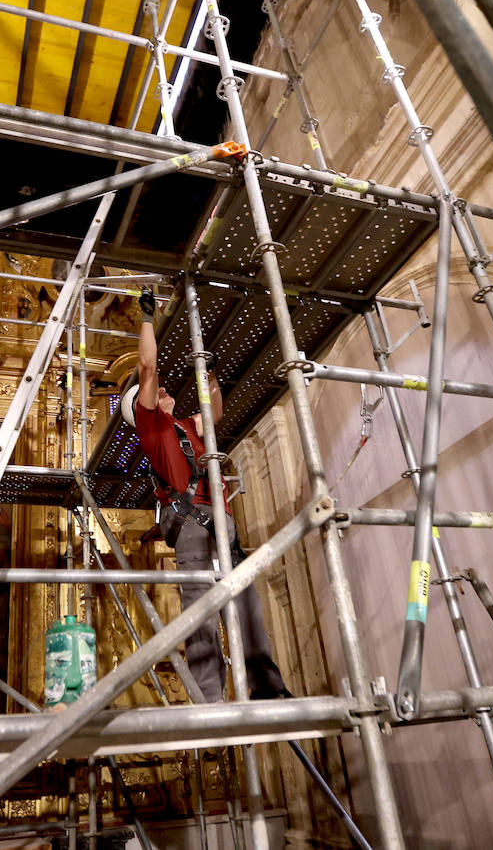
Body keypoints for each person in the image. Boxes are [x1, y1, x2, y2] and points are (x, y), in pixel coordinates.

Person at [124, 288, 289, 702]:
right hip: (194, 527)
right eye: (157, 394)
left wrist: (210, 374)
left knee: (247, 605)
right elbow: (147, 368)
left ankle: (267, 686)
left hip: (220, 522)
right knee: (201, 612)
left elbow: (212, 410)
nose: (163, 392)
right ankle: (210, 698)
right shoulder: (153, 429)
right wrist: (147, 319)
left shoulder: (183, 426)